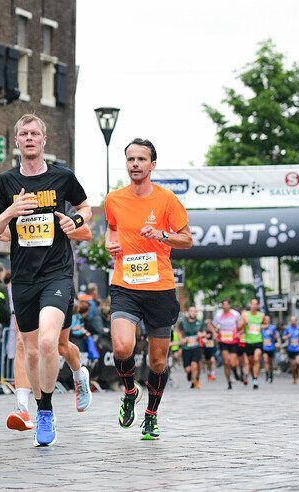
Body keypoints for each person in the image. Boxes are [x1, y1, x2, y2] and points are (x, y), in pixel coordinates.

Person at [0, 114, 93, 446]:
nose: (29, 138)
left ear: (44, 140)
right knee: (30, 350)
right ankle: (56, 394)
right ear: (17, 142)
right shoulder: (4, 183)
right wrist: (10, 213)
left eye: (35, 133)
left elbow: (86, 208)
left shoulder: (62, 177)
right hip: (24, 277)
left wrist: (74, 220)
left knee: (48, 343)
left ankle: (45, 413)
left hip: (57, 272)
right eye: (23, 134)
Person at [104, 137, 192, 441]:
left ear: (152, 165)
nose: (135, 165)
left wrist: (161, 234)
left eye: (141, 160)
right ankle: (130, 392)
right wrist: (109, 242)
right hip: (125, 284)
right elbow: (112, 226)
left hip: (160, 288)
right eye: (130, 160)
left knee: (157, 361)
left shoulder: (167, 200)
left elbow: (187, 239)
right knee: (121, 347)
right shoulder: (114, 199)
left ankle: (151, 416)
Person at [208, 299, 244, 390]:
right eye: (223, 305)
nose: (224, 306)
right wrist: (214, 333)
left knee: (233, 362)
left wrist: (240, 333)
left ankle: (235, 373)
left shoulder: (235, 314)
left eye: (226, 305)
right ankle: (229, 381)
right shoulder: (218, 314)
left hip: (233, 341)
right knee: (226, 361)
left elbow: (241, 325)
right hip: (223, 341)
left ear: (229, 305)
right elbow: (212, 325)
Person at [177, 306, 202, 389]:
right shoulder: (183, 322)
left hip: (196, 347)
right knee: (188, 369)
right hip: (186, 348)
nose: (193, 313)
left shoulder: (199, 322)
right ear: (188, 312)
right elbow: (179, 332)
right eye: (191, 311)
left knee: (194, 365)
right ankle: (190, 375)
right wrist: (182, 340)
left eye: (195, 311)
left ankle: (195, 382)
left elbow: (204, 332)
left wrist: (201, 335)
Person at [242, 298, 264, 390]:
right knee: (250, 363)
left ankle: (255, 379)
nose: (254, 306)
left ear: (258, 305)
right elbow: (242, 324)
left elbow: (265, 324)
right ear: (250, 305)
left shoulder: (261, 315)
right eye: (252, 304)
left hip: (258, 340)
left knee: (256, 358)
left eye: (256, 304)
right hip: (248, 341)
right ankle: (253, 377)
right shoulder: (245, 314)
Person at [283, 316, 299, 384]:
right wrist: (287, 336)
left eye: (294, 320)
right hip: (290, 349)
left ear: (296, 321)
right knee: (293, 366)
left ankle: (297, 371)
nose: (293, 322)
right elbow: (283, 337)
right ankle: (294, 378)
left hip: (298, 348)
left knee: (298, 362)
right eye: (292, 320)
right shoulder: (287, 328)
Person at [261, 315, 279, 383]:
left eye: (268, 319)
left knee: (270, 362)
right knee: (265, 360)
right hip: (264, 347)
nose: (267, 320)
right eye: (265, 319)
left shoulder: (272, 328)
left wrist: (273, 336)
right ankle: (267, 375)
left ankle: (271, 375)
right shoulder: (261, 327)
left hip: (271, 347)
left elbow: (276, 337)